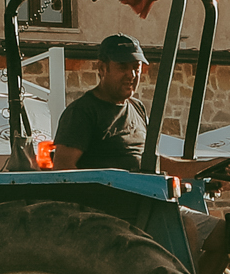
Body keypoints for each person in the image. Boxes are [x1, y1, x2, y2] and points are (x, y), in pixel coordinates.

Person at [47, 32, 208, 175]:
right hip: (110, 203)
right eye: (122, 67)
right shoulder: (82, 112)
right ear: (102, 68)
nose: (131, 75)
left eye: (136, 67)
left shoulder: (137, 108)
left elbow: (153, 163)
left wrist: (206, 168)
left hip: (145, 199)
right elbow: (63, 169)